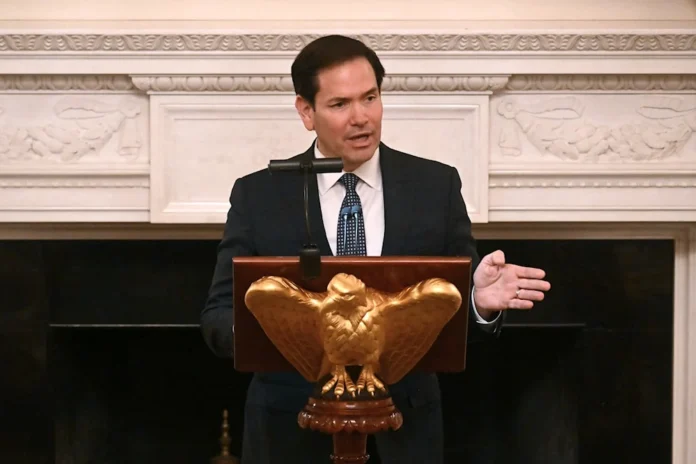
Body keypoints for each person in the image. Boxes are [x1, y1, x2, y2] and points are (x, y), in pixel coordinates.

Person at [201, 34, 551, 464]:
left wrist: (478, 302)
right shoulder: (259, 195)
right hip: (289, 432)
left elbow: (452, 322)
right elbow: (217, 316)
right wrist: (267, 330)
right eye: (340, 104)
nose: (361, 118)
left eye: (370, 98)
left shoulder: (435, 187)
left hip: (405, 431)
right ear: (306, 112)